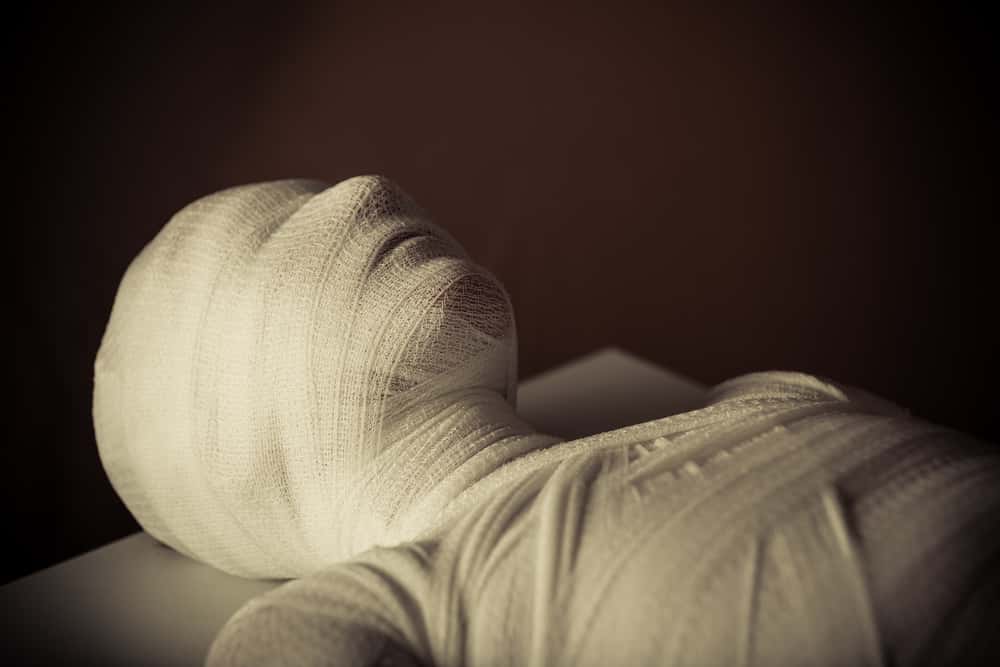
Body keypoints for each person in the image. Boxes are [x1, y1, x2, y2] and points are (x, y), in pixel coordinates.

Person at [94, 176, 999, 665]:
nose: (361, 189)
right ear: (215, 449)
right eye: (276, 240)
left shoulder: (753, 397)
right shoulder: (381, 603)